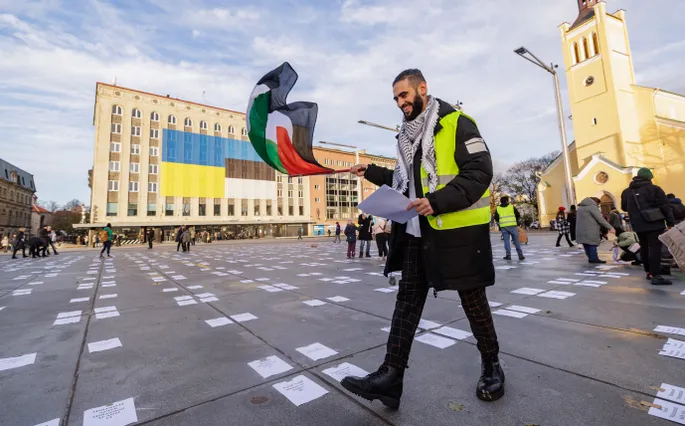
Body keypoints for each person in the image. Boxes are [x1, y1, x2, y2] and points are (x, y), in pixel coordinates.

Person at [342, 69, 503, 407]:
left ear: (422, 89)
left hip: (456, 233)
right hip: (416, 232)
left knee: (473, 302)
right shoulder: (407, 138)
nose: (400, 103)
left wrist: (438, 201)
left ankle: (492, 365)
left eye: (404, 95)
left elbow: (479, 172)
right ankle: (391, 376)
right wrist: (370, 171)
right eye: (396, 98)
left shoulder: (457, 123)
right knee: (407, 303)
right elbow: (408, 182)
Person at [620, 168, 675, 285]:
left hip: (637, 224)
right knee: (655, 248)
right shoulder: (655, 189)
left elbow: (624, 207)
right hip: (654, 223)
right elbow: (665, 206)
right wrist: (670, 222)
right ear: (649, 177)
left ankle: (648, 272)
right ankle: (656, 275)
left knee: (644, 247)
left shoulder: (626, 191)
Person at [576, 197, 614, 264]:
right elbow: (600, 219)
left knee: (586, 244)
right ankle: (594, 258)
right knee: (592, 244)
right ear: (596, 202)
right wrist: (610, 227)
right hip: (590, 229)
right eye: (598, 204)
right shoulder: (592, 207)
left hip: (581, 230)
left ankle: (591, 258)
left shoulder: (580, 208)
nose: (598, 206)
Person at [494, 196, 525, 260]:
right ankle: (520, 255)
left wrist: (500, 221)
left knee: (506, 241)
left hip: (504, 226)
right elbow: (518, 214)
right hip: (513, 225)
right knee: (516, 240)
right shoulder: (511, 207)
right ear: (507, 201)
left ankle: (508, 255)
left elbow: (496, 217)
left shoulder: (498, 208)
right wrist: (514, 220)